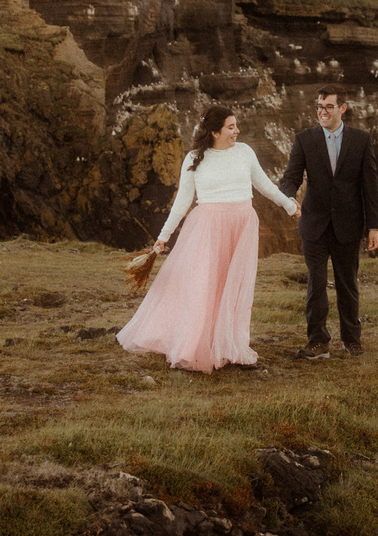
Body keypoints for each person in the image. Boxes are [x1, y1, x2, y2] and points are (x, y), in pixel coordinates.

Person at [117, 104, 299, 372]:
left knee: (235, 287)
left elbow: (265, 186)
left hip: (242, 224)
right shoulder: (193, 159)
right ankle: (196, 345)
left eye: (236, 125)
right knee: (206, 286)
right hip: (208, 228)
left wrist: (289, 205)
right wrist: (163, 236)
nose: (237, 131)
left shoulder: (245, 152)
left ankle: (230, 345)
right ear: (215, 131)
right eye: (231, 127)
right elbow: (182, 202)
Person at [278, 86, 378, 354]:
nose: (322, 112)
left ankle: (351, 340)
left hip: (349, 225)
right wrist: (287, 198)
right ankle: (318, 341)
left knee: (348, 283)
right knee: (316, 284)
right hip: (314, 223)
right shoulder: (304, 139)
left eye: (328, 107)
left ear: (342, 108)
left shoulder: (361, 140)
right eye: (319, 107)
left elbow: (370, 186)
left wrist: (374, 226)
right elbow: (291, 176)